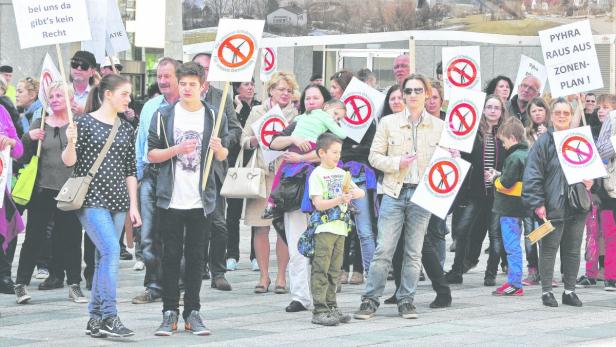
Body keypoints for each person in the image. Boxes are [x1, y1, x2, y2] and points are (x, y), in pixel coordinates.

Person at [354, 74, 444, 320]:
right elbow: (374, 157)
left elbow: (446, 162)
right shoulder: (388, 123)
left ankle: (406, 299)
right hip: (394, 191)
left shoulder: (439, 126)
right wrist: (396, 162)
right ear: (403, 95)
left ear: (427, 94)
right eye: (409, 91)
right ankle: (370, 300)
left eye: (418, 90)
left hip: (422, 194)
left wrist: (452, 155)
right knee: (384, 249)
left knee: (414, 252)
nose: (413, 95)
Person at [149, 62, 228, 336]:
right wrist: (177, 148)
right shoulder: (163, 115)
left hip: (201, 200)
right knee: (170, 256)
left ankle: (192, 311)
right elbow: (152, 155)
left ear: (202, 87)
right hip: (170, 199)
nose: (186, 88)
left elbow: (223, 156)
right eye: (182, 83)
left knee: (196, 258)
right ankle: (168, 310)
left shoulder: (213, 115)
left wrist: (219, 150)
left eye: (192, 84)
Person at [62, 74, 141, 337]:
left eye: (129, 94)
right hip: (91, 199)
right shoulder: (83, 123)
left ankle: (94, 318)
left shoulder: (127, 128)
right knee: (110, 251)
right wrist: (70, 140)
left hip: (118, 200)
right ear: (108, 94)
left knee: (102, 256)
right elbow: (69, 161)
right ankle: (110, 314)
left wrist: (133, 206)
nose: (128, 99)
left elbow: (131, 169)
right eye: (124, 94)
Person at [13, 82, 86, 304]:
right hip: (42, 189)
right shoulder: (40, 122)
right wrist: (29, 137)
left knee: (71, 239)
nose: (54, 99)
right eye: (51, 96)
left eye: (59, 96)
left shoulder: (78, 124)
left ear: (70, 100)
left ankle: (74, 284)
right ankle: (21, 284)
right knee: (34, 237)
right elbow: (21, 156)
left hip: (69, 191)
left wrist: (76, 136)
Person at [523, 98, 592, 308]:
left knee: (572, 250)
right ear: (551, 116)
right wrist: (537, 202)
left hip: (577, 205)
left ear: (571, 116)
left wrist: (591, 182)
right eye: (558, 113)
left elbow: (591, 166)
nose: (562, 116)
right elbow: (532, 174)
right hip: (552, 205)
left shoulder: (580, 138)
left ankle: (569, 291)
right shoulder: (544, 142)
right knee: (549, 249)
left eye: (566, 113)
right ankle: (547, 292)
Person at [269, 84, 332, 313]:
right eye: (307, 98)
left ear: (324, 102)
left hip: (323, 190)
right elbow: (274, 142)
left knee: (323, 245)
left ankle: (323, 295)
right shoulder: (297, 123)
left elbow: (333, 151)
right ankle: (299, 296)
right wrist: (293, 137)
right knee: (296, 244)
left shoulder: (329, 123)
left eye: (315, 98)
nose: (311, 101)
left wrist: (301, 156)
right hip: (294, 192)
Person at [241, 72, 299, 293]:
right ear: (271, 90)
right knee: (261, 227)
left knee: (284, 228)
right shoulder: (257, 111)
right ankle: (264, 276)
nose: (285, 93)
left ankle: (282, 277)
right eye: (281, 89)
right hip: (262, 176)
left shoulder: (296, 114)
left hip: (285, 176)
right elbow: (243, 139)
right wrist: (256, 139)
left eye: (289, 90)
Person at [132, 57, 181, 304]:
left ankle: (178, 287)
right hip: (151, 175)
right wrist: (137, 176)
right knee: (148, 234)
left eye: (166, 76)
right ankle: (153, 285)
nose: (162, 81)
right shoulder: (150, 106)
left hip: (180, 176)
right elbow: (141, 143)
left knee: (175, 234)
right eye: (158, 76)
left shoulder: (192, 107)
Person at [446, 94, 508, 286]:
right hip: (475, 192)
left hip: (497, 194)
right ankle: (457, 270)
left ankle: (491, 273)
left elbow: (510, 160)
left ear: (501, 111)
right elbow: (466, 157)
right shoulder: (473, 133)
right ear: (483, 110)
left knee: (495, 235)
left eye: (496, 108)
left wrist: (499, 173)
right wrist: (458, 154)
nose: (492, 110)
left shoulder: (505, 133)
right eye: (489, 107)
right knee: (463, 230)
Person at [192, 52, 242, 289]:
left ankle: (218, 271)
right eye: (199, 67)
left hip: (215, 168)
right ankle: (196, 265)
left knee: (218, 222)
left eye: (207, 68)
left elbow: (236, 129)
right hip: (190, 169)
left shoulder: (222, 98)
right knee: (193, 221)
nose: (203, 71)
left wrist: (223, 140)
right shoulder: (185, 99)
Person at [308, 133, 364, 326]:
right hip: (324, 228)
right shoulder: (317, 174)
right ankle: (319, 309)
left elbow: (360, 192)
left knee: (334, 269)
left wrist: (353, 192)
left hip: (341, 228)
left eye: (339, 152)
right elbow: (318, 204)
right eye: (334, 152)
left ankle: (332, 305)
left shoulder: (342, 173)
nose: (338, 156)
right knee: (321, 268)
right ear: (321, 153)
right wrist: (339, 199)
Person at [491, 117, 529, 296]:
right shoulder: (527, 153)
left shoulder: (514, 157)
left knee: (511, 245)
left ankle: (515, 283)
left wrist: (494, 179)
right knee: (515, 245)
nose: (503, 145)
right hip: (520, 207)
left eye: (504, 141)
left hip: (509, 209)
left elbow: (506, 183)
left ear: (512, 137)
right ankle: (514, 280)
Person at [226, 79, 261, 272]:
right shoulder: (231, 107)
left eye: (252, 84)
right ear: (237, 88)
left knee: (256, 213)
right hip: (236, 164)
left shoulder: (260, 107)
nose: (250, 88)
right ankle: (231, 254)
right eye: (246, 84)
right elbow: (235, 134)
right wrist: (238, 108)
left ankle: (256, 255)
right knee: (233, 213)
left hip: (256, 162)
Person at [521, 97, 550, 286]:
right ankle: (533, 269)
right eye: (534, 111)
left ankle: (546, 271)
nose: (538, 113)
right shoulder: (526, 134)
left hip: (550, 191)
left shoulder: (553, 132)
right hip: (532, 189)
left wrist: (547, 136)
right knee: (531, 231)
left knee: (547, 231)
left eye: (540, 110)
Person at [0, 104, 24, 295]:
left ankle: (4, 275)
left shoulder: (2, 111)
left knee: (6, 230)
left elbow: (19, 150)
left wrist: (11, 142)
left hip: (2, 187)